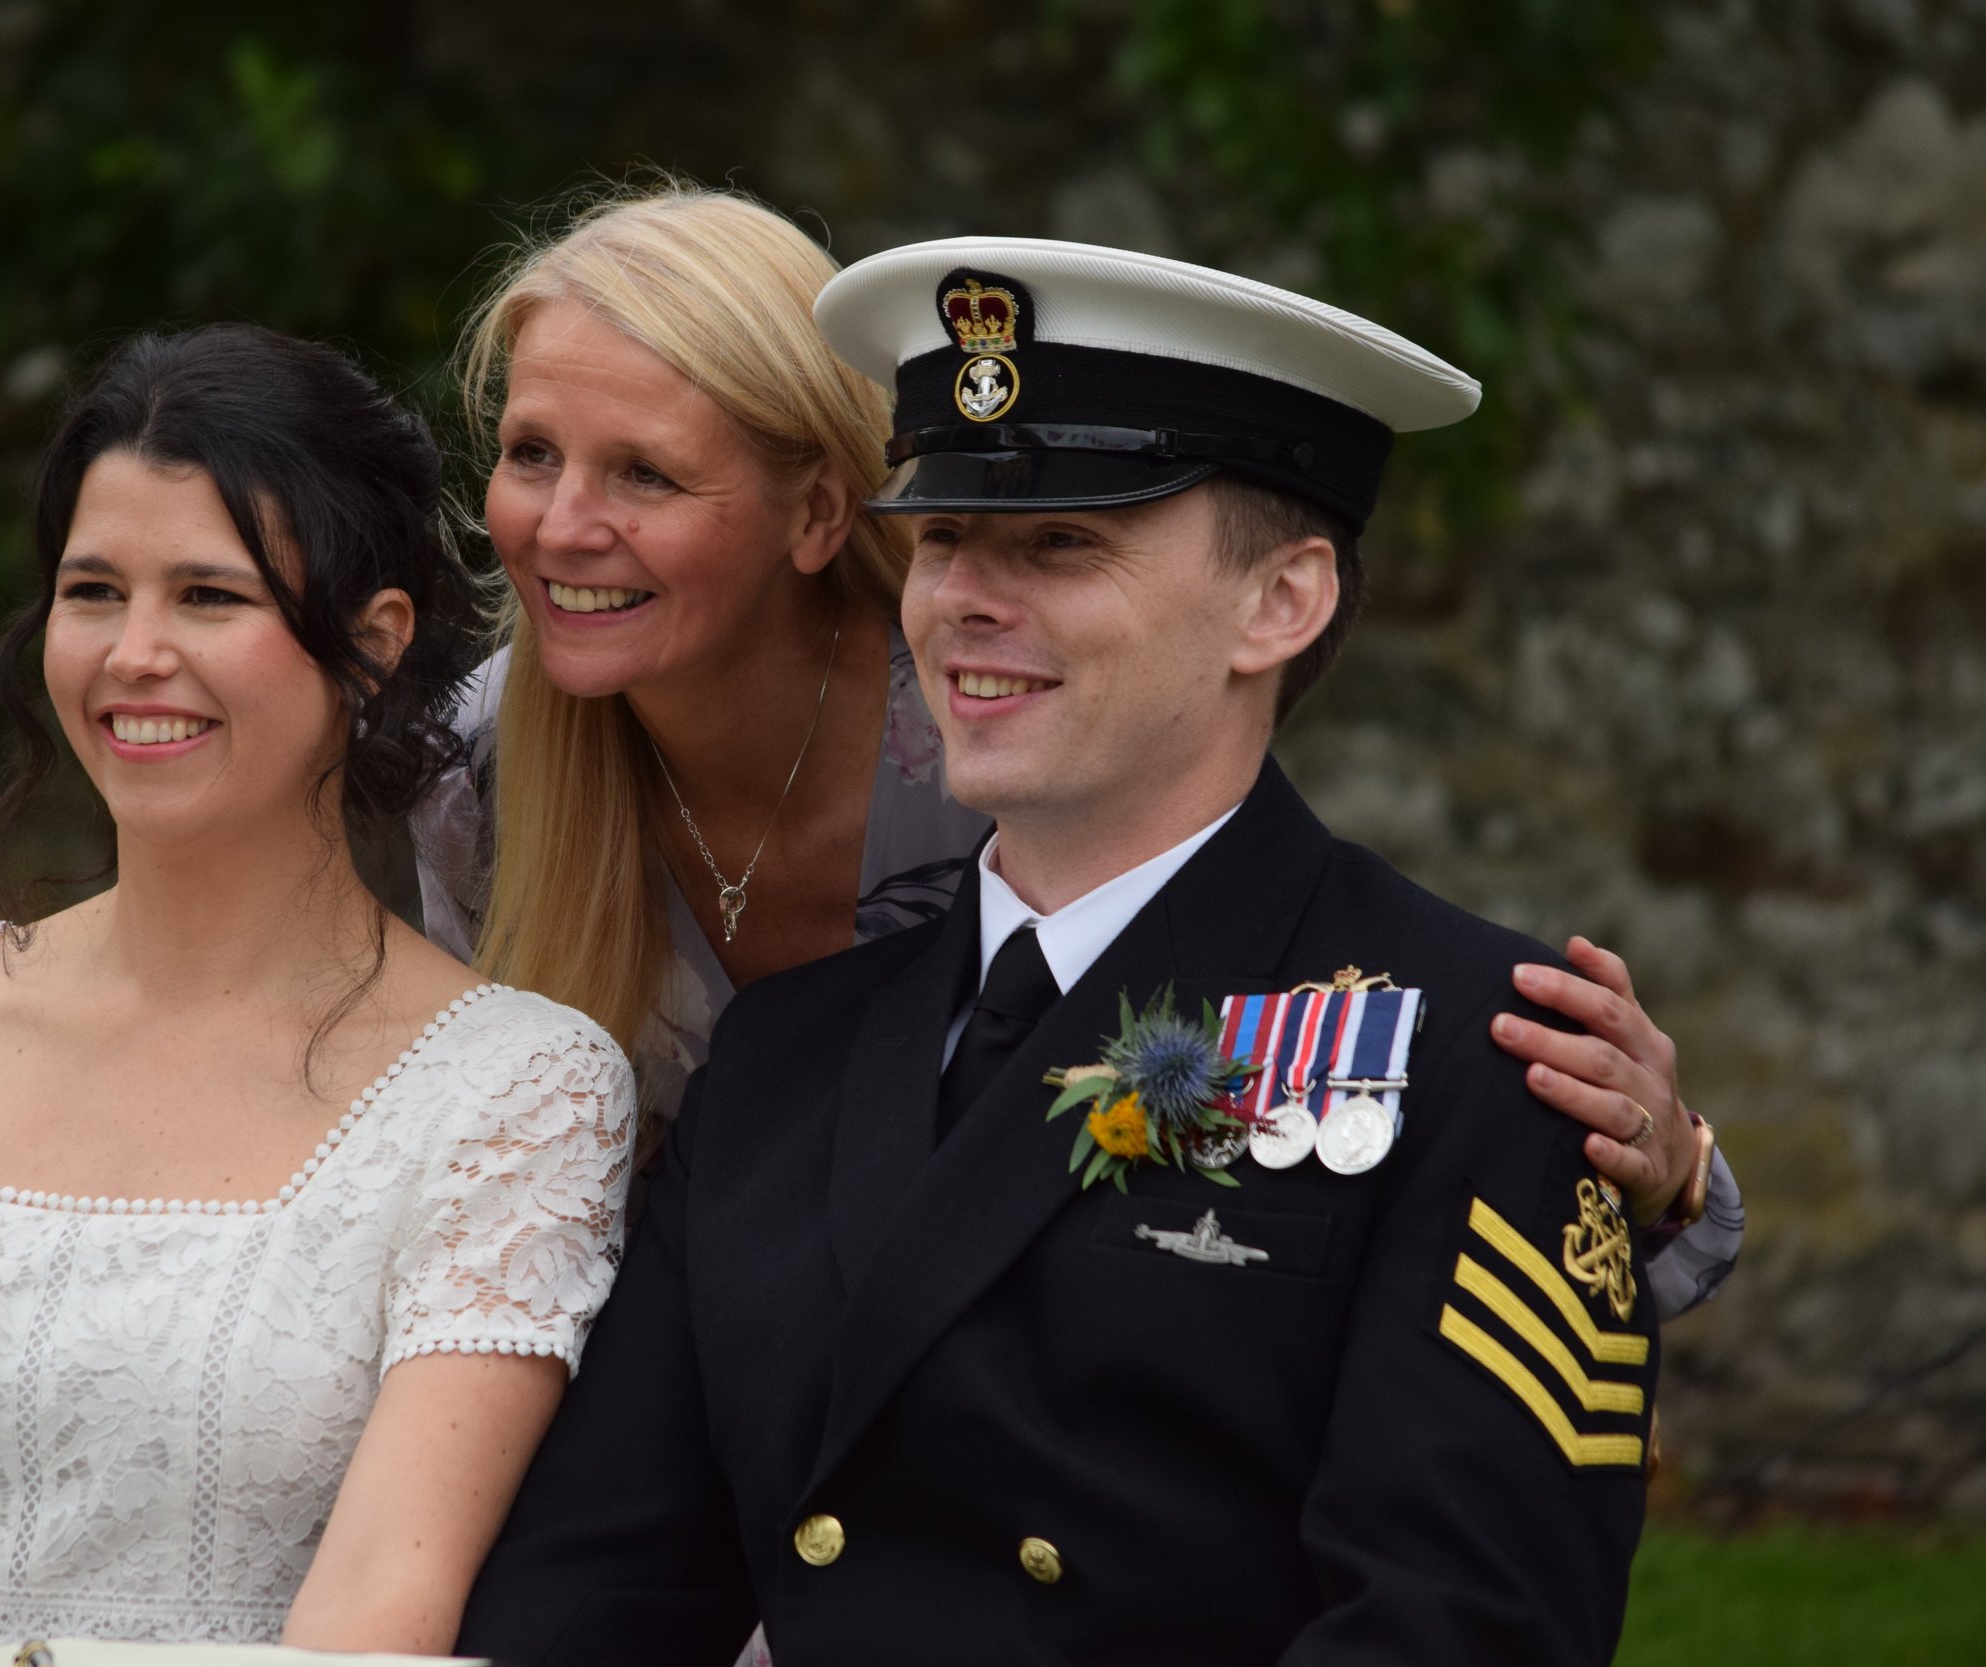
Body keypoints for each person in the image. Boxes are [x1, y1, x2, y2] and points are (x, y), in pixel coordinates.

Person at [456, 239, 1679, 1665]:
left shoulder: (1475, 1053)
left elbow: (1461, 1631)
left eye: (1061, 544)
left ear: (1281, 602)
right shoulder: (787, 1056)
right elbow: (592, 1598)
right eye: (949, 535)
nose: (969, 595)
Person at [414, 183, 1738, 1303]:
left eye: (644, 472)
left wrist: (1659, 1182)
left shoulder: (1009, 728)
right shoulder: (473, 779)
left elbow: (1298, 1106)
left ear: (820, 511)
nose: (559, 525)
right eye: (530, 454)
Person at [0, 325, 637, 1663]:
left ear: (368, 648)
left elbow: (370, 1630)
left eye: (208, 596)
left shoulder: (517, 1091)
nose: (135, 653)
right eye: (93, 591)